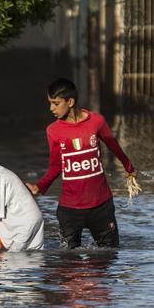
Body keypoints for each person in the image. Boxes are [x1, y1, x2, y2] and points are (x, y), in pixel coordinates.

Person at [25, 78, 137, 249]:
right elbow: (56, 166)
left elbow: (114, 146)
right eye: (50, 103)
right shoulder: (53, 131)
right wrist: (39, 186)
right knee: (69, 264)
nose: (51, 108)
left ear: (70, 102)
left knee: (108, 256)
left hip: (101, 206)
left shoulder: (96, 121)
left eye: (56, 103)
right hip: (70, 209)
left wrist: (129, 168)